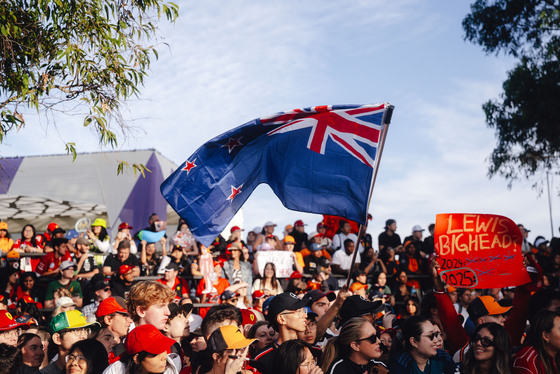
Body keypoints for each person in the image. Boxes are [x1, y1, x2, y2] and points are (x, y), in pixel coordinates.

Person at [388, 315, 455, 374]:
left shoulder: (443, 357)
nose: (436, 340)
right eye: (430, 336)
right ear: (414, 342)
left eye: (436, 334)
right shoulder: (400, 362)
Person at [104, 324, 178, 374]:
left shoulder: (168, 368)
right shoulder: (116, 370)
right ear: (137, 358)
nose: (164, 356)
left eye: (164, 349)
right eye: (156, 353)